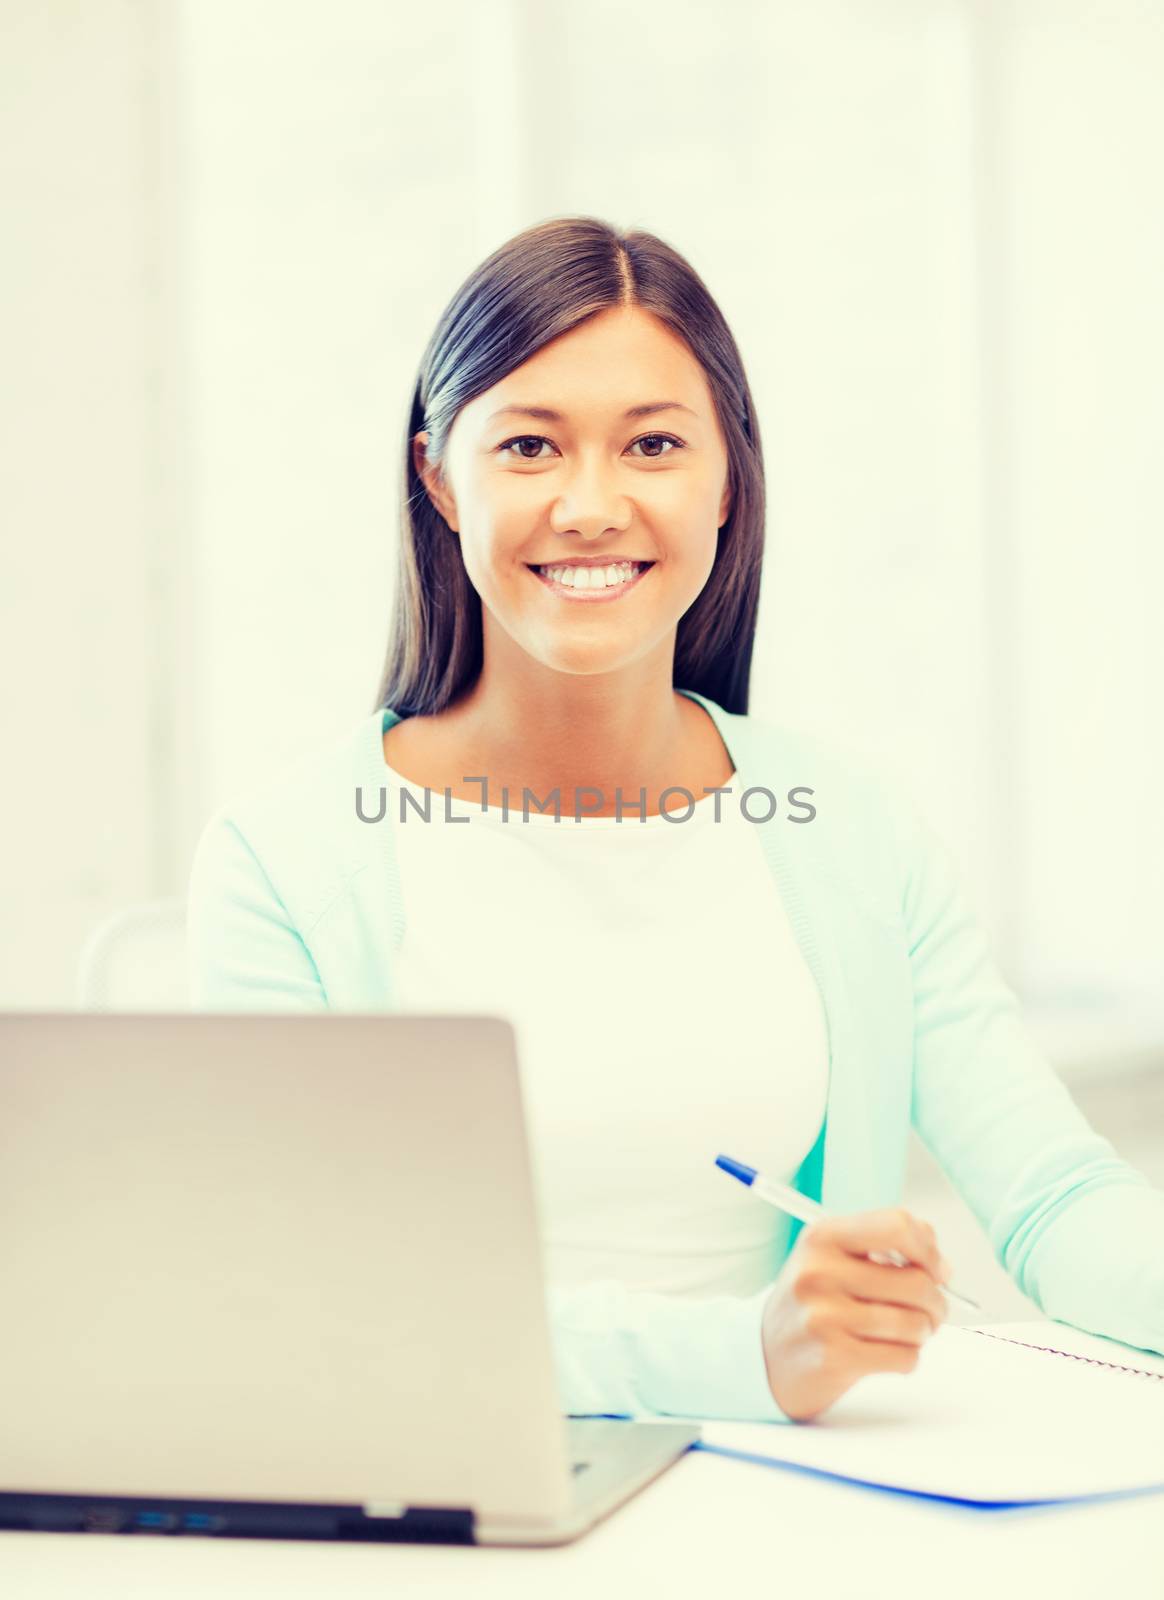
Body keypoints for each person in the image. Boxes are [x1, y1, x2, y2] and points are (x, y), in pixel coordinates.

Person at [187, 216, 1164, 1425]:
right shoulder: (284, 859)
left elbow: (1057, 1196)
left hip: (794, 1501)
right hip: (455, 1502)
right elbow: (306, 1299)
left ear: (726, 479)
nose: (592, 506)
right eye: (532, 445)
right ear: (439, 476)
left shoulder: (848, 830)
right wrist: (741, 1355)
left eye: (653, 443)